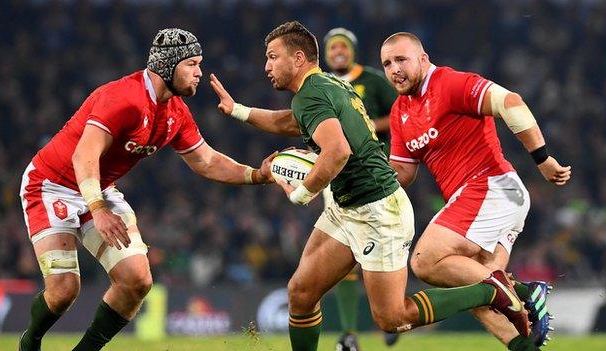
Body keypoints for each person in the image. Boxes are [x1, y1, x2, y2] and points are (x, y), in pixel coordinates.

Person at [210, 21, 530, 351]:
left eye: (273, 57)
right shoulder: (327, 86)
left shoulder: (311, 97)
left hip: (377, 211)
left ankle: (490, 291)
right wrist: (239, 111)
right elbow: (290, 121)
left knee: (392, 318)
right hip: (346, 205)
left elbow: (336, 152)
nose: (266, 66)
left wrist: (302, 193)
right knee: (301, 293)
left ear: (299, 57)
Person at [18, 28, 274, 351]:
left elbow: (206, 161)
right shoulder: (123, 98)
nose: (199, 73)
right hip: (51, 185)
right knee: (64, 290)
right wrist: (98, 210)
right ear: (168, 65)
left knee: (137, 280)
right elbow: (83, 155)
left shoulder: (177, 113)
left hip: (99, 186)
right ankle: (30, 342)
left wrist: (256, 175)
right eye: (192, 64)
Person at [381, 32, 571, 350]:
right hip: (485, 198)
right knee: (477, 292)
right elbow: (402, 172)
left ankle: (523, 292)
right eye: (387, 64)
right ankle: (525, 342)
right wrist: (360, 177)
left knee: (426, 261)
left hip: (490, 187)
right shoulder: (400, 112)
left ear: (423, 59)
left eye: (401, 59)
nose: (394, 69)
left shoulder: (449, 83)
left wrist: (542, 158)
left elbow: (510, 102)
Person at [322, 27, 399, 350]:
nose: (338, 51)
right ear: (325, 54)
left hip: (374, 173)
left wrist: (363, 126)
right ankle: (350, 333)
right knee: (346, 254)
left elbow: (400, 115)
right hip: (336, 177)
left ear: (352, 51)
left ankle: (392, 315)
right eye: (332, 47)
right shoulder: (319, 85)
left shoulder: (373, 80)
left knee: (382, 251)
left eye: (344, 46)